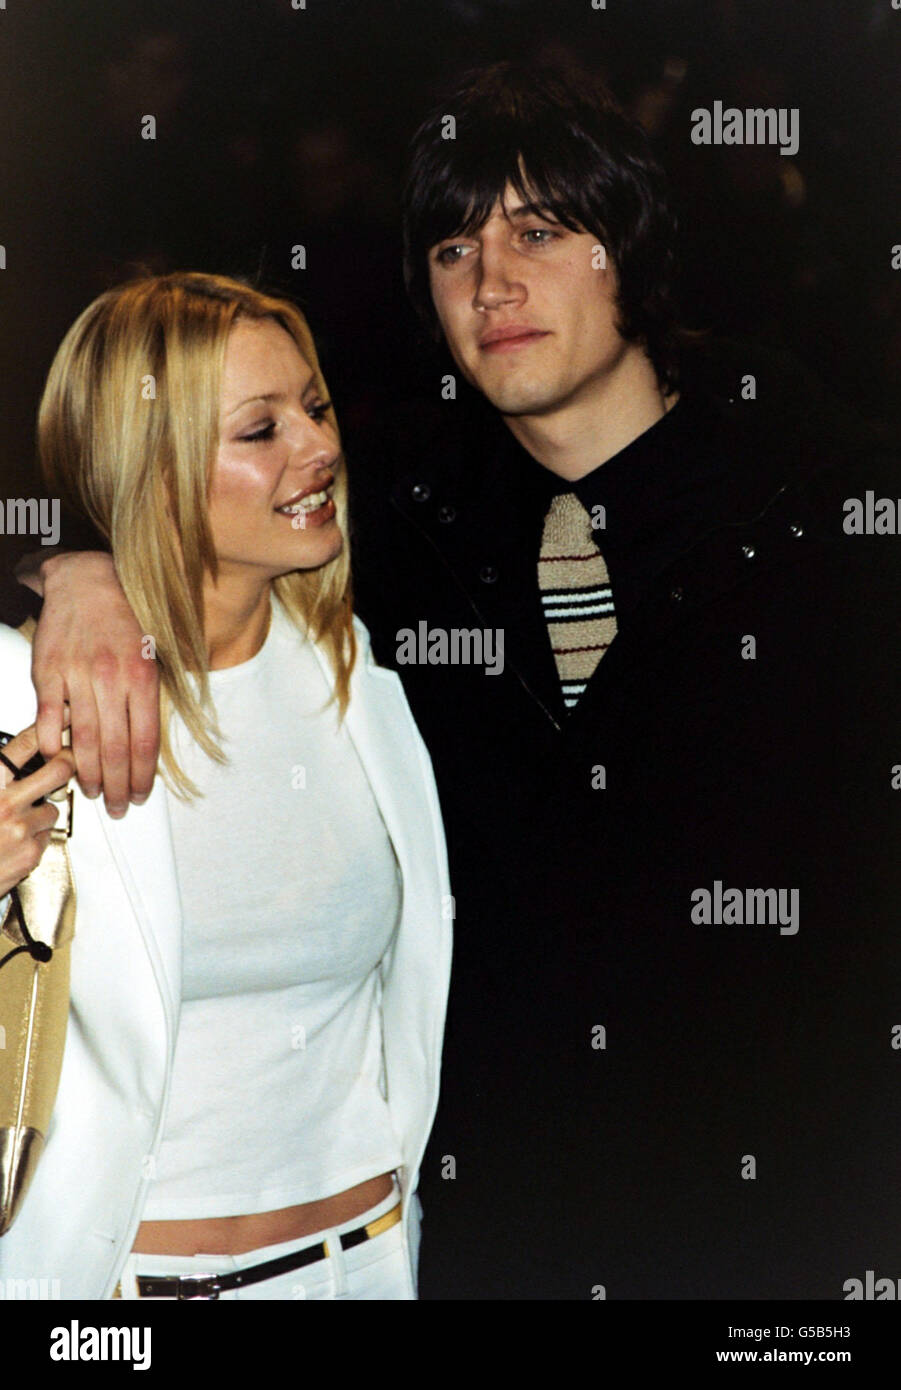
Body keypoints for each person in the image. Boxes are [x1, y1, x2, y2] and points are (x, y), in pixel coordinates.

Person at [7, 65, 901, 1299]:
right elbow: (159, 460)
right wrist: (75, 568)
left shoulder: (832, 506)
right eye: (451, 247)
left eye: (537, 230)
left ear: (627, 247)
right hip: (488, 1242)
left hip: (782, 1234)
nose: (491, 281)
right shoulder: (397, 534)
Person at [0, 271, 451, 1300]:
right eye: (261, 430)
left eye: (316, 406)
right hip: (120, 1291)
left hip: (368, 1263)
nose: (320, 447)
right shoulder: (20, 694)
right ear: (153, 471)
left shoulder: (357, 672)